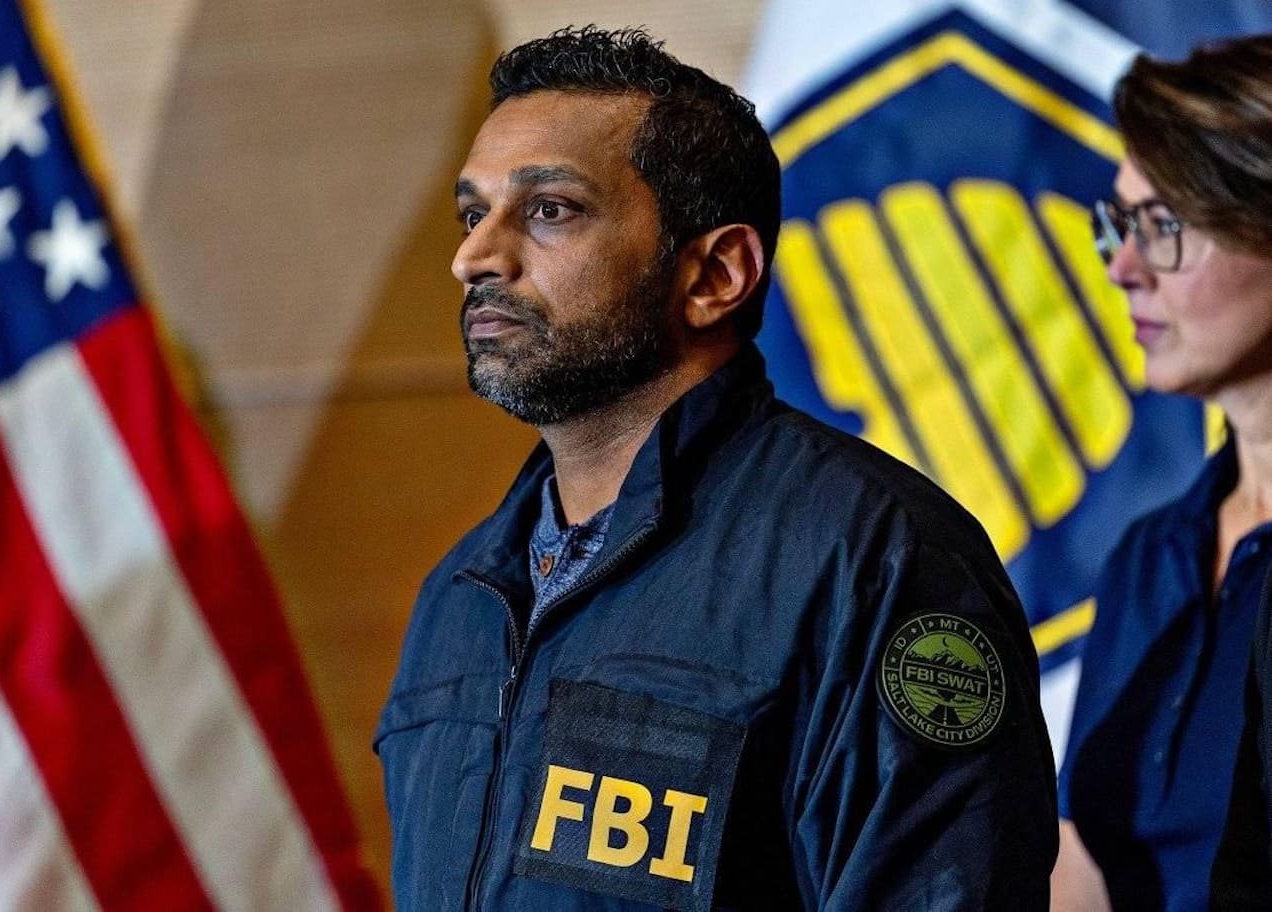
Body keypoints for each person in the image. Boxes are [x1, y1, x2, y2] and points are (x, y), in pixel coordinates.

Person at [375, 26, 1056, 911]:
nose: (474, 258)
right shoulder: (459, 595)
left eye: (550, 210)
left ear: (716, 275)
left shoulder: (877, 559)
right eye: (475, 215)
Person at [1052, 34, 1272, 912]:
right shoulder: (1150, 556)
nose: (1123, 268)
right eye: (1120, 224)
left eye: (1164, 227)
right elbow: (1083, 871)